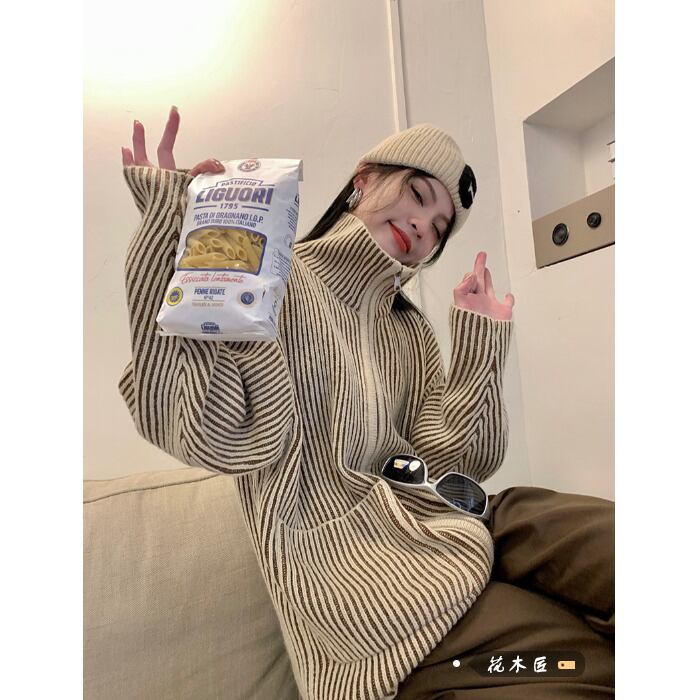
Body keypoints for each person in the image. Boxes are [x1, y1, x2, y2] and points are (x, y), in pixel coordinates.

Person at [118, 107, 613, 699]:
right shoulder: (274, 280)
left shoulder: (408, 329)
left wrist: (479, 345)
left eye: (439, 227)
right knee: (589, 669)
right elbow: (220, 435)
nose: (422, 226)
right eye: (418, 195)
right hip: (373, 580)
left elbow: (459, 462)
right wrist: (173, 237)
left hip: (460, 519)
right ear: (364, 181)